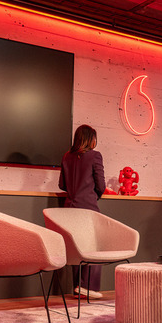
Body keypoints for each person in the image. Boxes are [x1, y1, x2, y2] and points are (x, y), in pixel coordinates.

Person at [58, 124, 106, 298]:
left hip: (69, 209)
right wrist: (95, 194)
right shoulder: (95, 156)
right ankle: (88, 287)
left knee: (77, 248)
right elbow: (101, 185)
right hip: (88, 207)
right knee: (94, 247)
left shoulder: (66, 156)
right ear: (90, 139)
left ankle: (78, 287)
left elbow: (62, 185)